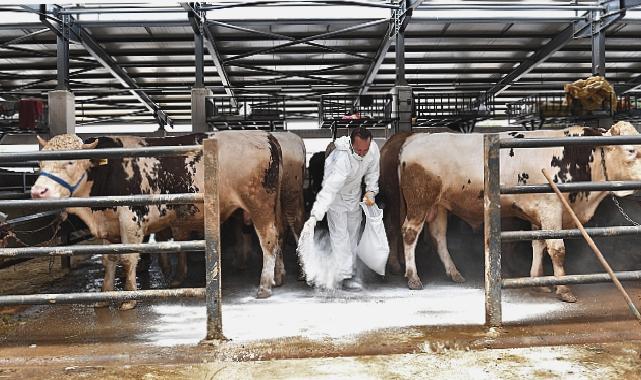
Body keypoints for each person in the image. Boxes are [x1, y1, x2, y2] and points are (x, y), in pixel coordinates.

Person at [305, 127, 380, 291]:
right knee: (340, 237)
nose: (362, 153)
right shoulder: (341, 158)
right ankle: (345, 276)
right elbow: (329, 189)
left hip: (354, 196)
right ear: (352, 145)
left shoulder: (372, 150)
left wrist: (371, 190)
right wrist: (316, 214)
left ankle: (349, 270)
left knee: (353, 235)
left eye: (365, 150)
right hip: (336, 198)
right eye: (359, 150)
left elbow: (373, 172)